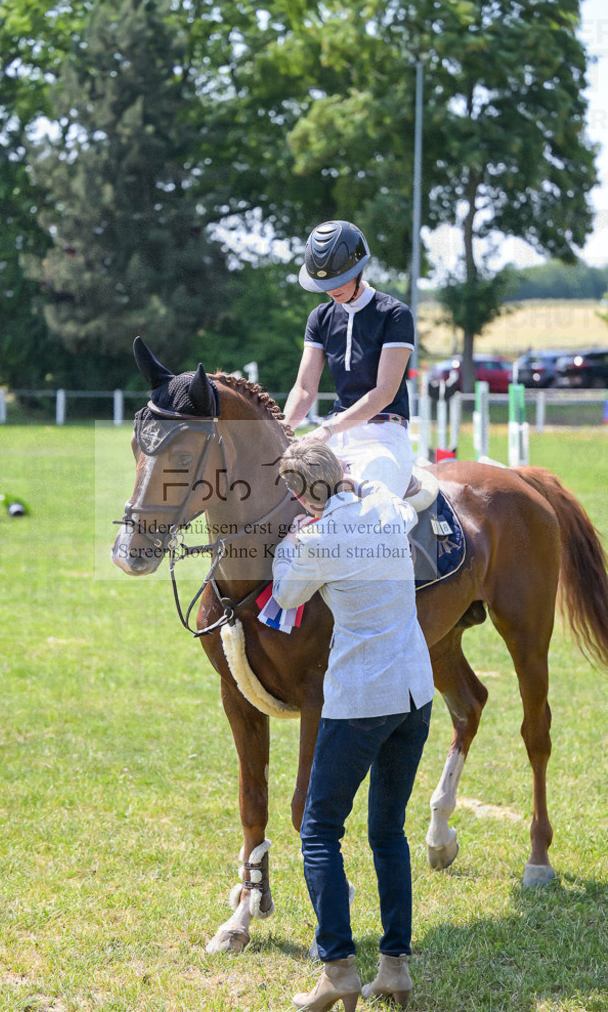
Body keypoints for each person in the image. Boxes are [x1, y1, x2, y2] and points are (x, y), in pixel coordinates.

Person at [272, 439, 434, 1012]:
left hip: (361, 699)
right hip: (415, 692)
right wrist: (356, 486)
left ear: (300, 496)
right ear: (342, 473)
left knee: (320, 831)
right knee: (388, 831)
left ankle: (338, 968)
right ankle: (395, 968)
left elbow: (286, 594)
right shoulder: (388, 507)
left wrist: (291, 539)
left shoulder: (313, 541)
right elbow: (409, 501)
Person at [283, 220, 416, 499]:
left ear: (357, 270)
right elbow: (305, 389)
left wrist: (328, 428)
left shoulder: (394, 314)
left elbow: (385, 392)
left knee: (369, 508)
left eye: (338, 280)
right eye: (324, 283)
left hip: (384, 436)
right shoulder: (320, 318)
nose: (331, 290)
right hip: (333, 436)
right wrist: (281, 431)